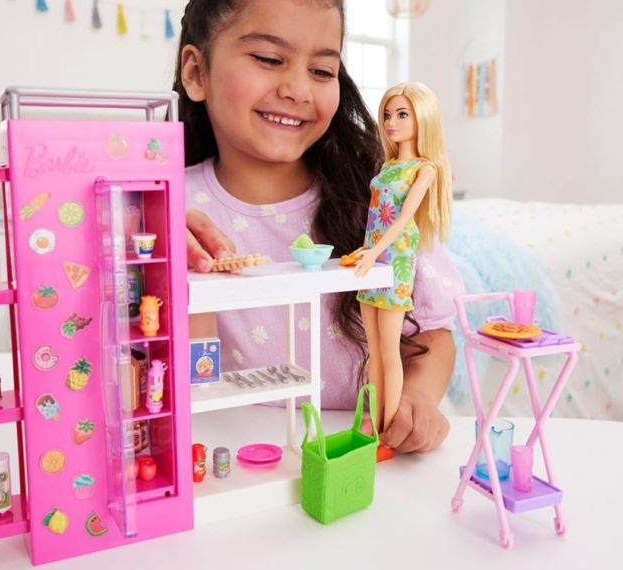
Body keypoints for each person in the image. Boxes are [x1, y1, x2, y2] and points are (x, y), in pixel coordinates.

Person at [173, 0, 464, 453]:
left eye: (323, 71)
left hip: (367, 452)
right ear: (196, 72)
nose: (298, 90)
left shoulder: (378, 193)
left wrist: (417, 399)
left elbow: (433, 330)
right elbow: (189, 382)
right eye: (269, 59)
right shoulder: (168, 204)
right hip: (246, 453)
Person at [352, 81, 453, 433]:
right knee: (375, 351)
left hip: (394, 261)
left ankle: (388, 428)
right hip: (372, 257)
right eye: (387, 114)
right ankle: (375, 424)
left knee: (391, 350)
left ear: (421, 117)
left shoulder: (424, 169)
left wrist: (376, 252)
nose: (391, 122)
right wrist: (365, 250)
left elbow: (404, 218)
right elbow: (376, 217)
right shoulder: (387, 166)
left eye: (402, 114)